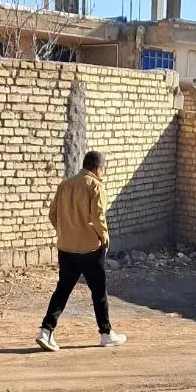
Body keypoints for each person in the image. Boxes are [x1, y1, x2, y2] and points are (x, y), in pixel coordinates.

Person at [36, 151, 127, 352]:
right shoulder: (95, 186)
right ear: (98, 168)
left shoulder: (65, 184)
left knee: (63, 290)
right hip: (90, 248)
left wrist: (65, 232)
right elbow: (98, 216)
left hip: (66, 247)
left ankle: (46, 330)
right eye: (103, 169)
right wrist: (104, 239)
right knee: (99, 292)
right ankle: (106, 333)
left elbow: (53, 214)